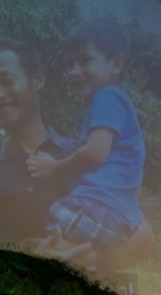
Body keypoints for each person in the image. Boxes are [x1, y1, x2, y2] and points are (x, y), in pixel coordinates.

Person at [0, 38, 154, 273]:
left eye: (7, 81)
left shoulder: (85, 157)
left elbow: (145, 239)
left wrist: (88, 262)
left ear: (38, 79)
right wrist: (33, 262)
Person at [27, 20, 145, 252]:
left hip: (99, 206)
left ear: (115, 64)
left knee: (53, 220)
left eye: (84, 61)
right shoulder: (116, 102)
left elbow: (95, 154)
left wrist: (54, 168)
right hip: (121, 217)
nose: (74, 71)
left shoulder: (106, 96)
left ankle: (60, 251)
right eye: (69, 65)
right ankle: (74, 254)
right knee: (54, 242)